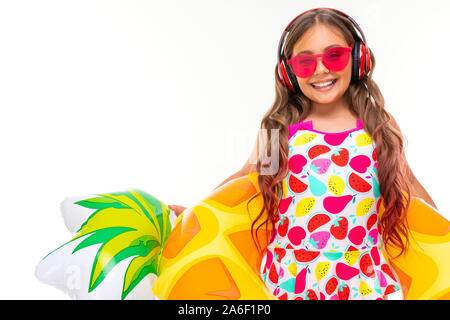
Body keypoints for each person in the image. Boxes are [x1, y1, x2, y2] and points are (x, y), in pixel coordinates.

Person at [169, 7, 438, 300]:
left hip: (362, 281)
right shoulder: (280, 128)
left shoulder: (379, 126)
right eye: (306, 62)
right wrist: (199, 213)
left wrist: (444, 237)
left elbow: (411, 190)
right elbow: (246, 180)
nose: (321, 70)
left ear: (357, 58)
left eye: (334, 56)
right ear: (289, 71)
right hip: (291, 279)